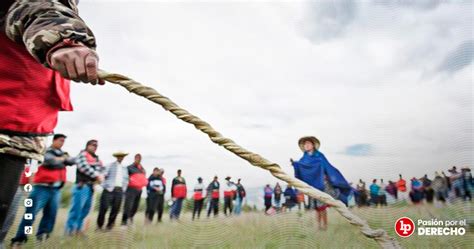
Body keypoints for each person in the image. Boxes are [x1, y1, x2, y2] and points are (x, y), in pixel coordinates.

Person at [0, 0, 102, 237]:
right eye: (60, 141)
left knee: (31, 212)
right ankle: (22, 236)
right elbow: (34, 7)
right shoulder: (61, 155)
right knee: (29, 210)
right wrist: (62, 39)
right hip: (26, 163)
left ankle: (39, 235)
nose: (61, 144)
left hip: (26, 145)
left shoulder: (66, 154)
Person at [11, 134, 75, 245]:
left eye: (64, 141)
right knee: (30, 214)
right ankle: (19, 239)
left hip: (56, 190)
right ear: (54, 140)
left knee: (50, 216)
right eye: (60, 140)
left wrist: (61, 159)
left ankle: (42, 239)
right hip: (42, 188)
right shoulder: (45, 150)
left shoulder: (62, 154)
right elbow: (50, 162)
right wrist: (62, 160)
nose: (62, 143)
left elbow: (72, 161)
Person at [291, 136, 352, 230]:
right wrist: (295, 164)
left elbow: (327, 166)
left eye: (308, 143)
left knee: (322, 205)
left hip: (322, 183)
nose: (306, 145)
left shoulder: (319, 155)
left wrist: (326, 175)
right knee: (316, 207)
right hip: (312, 185)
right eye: (305, 144)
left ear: (313, 145)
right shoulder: (304, 158)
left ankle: (325, 226)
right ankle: (319, 226)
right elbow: (302, 167)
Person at [65, 140, 104, 236]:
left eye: (96, 146)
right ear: (87, 145)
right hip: (82, 186)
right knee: (76, 210)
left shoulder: (96, 159)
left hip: (91, 187)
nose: (95, 147)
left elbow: (101, 170)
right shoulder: (82, 154)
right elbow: (83, 167)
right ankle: (69, 232)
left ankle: (78, 230)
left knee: (85, 211)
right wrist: (97, 175)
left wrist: (100, 175)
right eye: (93, 145)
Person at [97, 151, 129, 231]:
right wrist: (104, 185)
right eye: (119, 156)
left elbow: (126, 179)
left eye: (122, 156)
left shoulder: (124, 168)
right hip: (109, 190)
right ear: (116, 157)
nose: (120, 158)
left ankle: (109, 227)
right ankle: (99, 226)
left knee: (115, 209)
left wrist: (123, 188)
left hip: (119, 190)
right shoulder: (110, 165)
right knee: (103, 208)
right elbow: (103, 175)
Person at [122, 154, 148, 226]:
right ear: (134, 158)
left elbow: (143, 178)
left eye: (140, 158)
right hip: (130, 189)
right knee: (128, 206)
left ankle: (130, 219)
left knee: (135, 207)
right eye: (137, 158)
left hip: (139, 190)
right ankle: (124, 222)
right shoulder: (129, 167)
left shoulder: (142, 169)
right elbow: (124, 178)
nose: (138, 159)